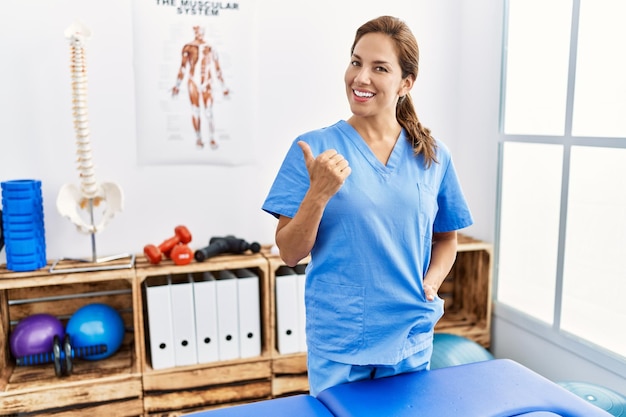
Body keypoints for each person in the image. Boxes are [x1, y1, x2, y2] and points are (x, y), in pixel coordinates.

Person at [262, 16, 474, 396]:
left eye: (379, 68)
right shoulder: (313, 149)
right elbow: (291, 253)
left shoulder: (433, 156)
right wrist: (319, 194)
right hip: (343, 339)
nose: (361, 77)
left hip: (409, 333)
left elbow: (446, 238)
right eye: (356, 62)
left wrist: (432, 281)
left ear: (405, 83)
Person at [172, 26, 229, 149]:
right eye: (197, 31)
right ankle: (198, 138)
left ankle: (212, 138)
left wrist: (223, 86)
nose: (199, 33)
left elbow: (217, 68)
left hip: (207, 82)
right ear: (194, 32)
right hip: (193, 82)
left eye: (201, 31)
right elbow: (183, 67)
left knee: (209, 112)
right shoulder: (188, 47)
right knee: (195, 111)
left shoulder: (211, 47)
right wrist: (177, 85)